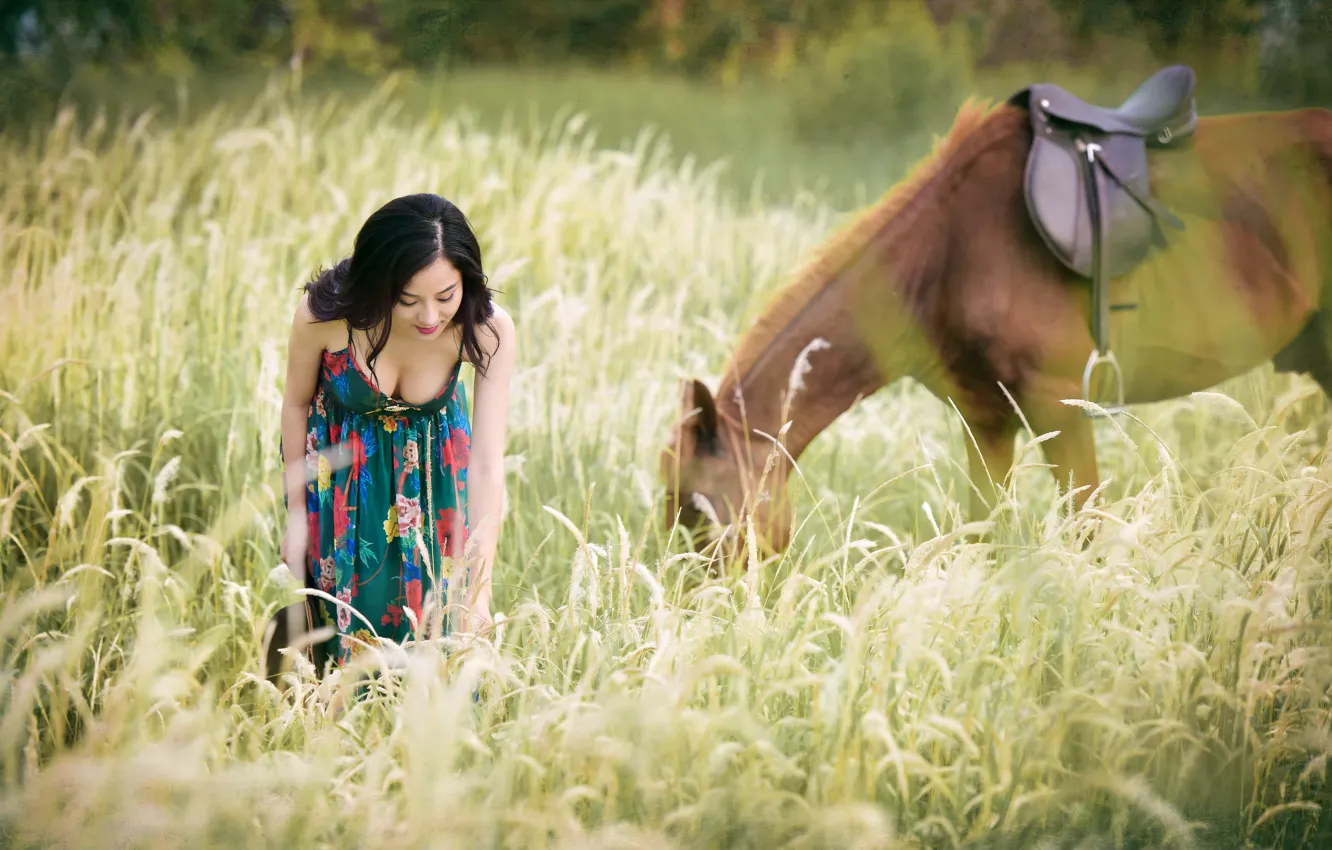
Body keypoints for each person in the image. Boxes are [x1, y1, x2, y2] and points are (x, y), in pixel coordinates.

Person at [266, 192, 514, 677]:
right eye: (407, 299)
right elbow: (295, 405)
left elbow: (486, 462)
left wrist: (480, 588)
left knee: (438, 652)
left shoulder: (485, 332)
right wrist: (295, 514)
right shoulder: (326, 318)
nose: (428, 317)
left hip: (436, 500)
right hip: (341, 500)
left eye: (446, 296)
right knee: (339, 660)